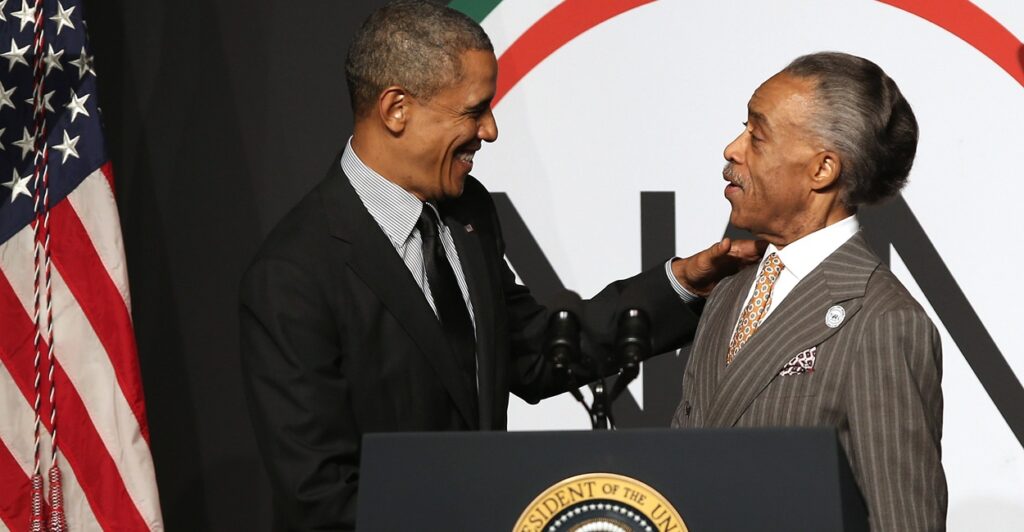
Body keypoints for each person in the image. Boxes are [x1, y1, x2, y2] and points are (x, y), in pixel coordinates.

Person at [239, 2, 757, 529]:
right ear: (396, 110)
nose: (490, 130)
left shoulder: (468, 213)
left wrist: (680, 286)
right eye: (474, 109)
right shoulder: (294, 275)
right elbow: (320, 497)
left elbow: (535, 349)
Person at [671, 52, 946, 531]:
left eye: (757, 136)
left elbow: (904, 521)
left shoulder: (883, 321)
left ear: (822, 170)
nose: (732, 149)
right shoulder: (732, 288)